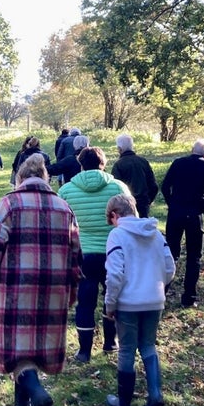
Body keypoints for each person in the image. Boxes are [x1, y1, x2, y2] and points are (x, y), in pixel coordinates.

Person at [0, 154, 82, 406]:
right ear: (46, 179)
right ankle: (23, 405)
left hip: (14, 288)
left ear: (20, 179)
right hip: (53, 288)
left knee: (14, 346)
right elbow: (75, 254)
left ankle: (36, 392)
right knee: (34, 345)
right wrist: (72, 290)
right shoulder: (64, 207)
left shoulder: (9, 204)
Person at [104, 194, 176, 406]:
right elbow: (170, 267)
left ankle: (124, 402)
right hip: (154, 300)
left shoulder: (117, 235)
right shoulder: (155, 233)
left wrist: (110, 304)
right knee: (148, 347)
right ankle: (155, 394)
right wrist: (158, 287)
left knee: (126, 349)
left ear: (115, 215)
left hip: (128, 302)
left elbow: (115, 275)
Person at [59, 146, 130, 361]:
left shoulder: (67, 190)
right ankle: (111, 342)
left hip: (82, 253)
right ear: (103, 163)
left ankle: (84, 351)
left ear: (81, 164)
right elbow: (129, 217)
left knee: (85, 301)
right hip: (113, 251)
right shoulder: (118, 187)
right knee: (113, 298)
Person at [161, 139, 204, 308]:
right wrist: (202, 208)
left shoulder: (178, 163)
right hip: (195, 215)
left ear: (192, 150)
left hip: (176, 213)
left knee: (171, 253)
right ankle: (189, 297)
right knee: (194, 257)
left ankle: (162, 293)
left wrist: (171, 204)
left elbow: (165, 187)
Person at [111, 134, 159, 218]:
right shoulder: (143, 161)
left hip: (126, 205)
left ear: (119, 149)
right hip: (143, 204)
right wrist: (148, 201)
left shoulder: (118, 165)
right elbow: (154, 186)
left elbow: (115, 188)